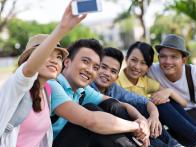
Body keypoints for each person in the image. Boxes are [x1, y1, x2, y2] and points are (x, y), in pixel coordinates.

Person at [0, 2, 85, 147]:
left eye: (59, 57)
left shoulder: (47, 91)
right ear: (31, 59)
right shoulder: (16, 87)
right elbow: (28, 70)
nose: (55, 61)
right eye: (48, 54)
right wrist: (62, 28)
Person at [48, 39, 150, 147]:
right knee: (91, 111)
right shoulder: (52, 85)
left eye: (95, 67)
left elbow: (118, 104)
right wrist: (134, 126)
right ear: (67, 61)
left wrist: (141, 120)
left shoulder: (82, 90)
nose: (89, 70)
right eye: (85, 61)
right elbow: (91, 120)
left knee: (110, 105)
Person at [116, 41, 196, 147]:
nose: (137, 67)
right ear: (126, 59)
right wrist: (152, 114)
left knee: (162, 100)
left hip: (192, 118)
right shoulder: (116, 81)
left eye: (143, 63)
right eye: (133, 60)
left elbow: (183, 103)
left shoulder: (145, 81)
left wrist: (168, 92)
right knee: (158, 103)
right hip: (138, 124)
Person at [90, 47, 182, 147]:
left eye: (113, 71)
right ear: (95, 67)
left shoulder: (114, 87)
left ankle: (174, 144)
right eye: (103, 67)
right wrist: (137, 124)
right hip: (99, 132)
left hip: (124, 130)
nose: (107, 73)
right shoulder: (87, 87)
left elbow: (144, 101)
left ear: (116, 76)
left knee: (145, 107)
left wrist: (153, 117)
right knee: (115, 107)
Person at [148, 34, 196, 137]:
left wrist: (169, 91)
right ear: (158, 58)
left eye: (174, 57)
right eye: (163, 56)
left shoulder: (195, 72)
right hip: (175, 122)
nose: (168, 61)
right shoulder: (152, 70)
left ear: (183, 60)